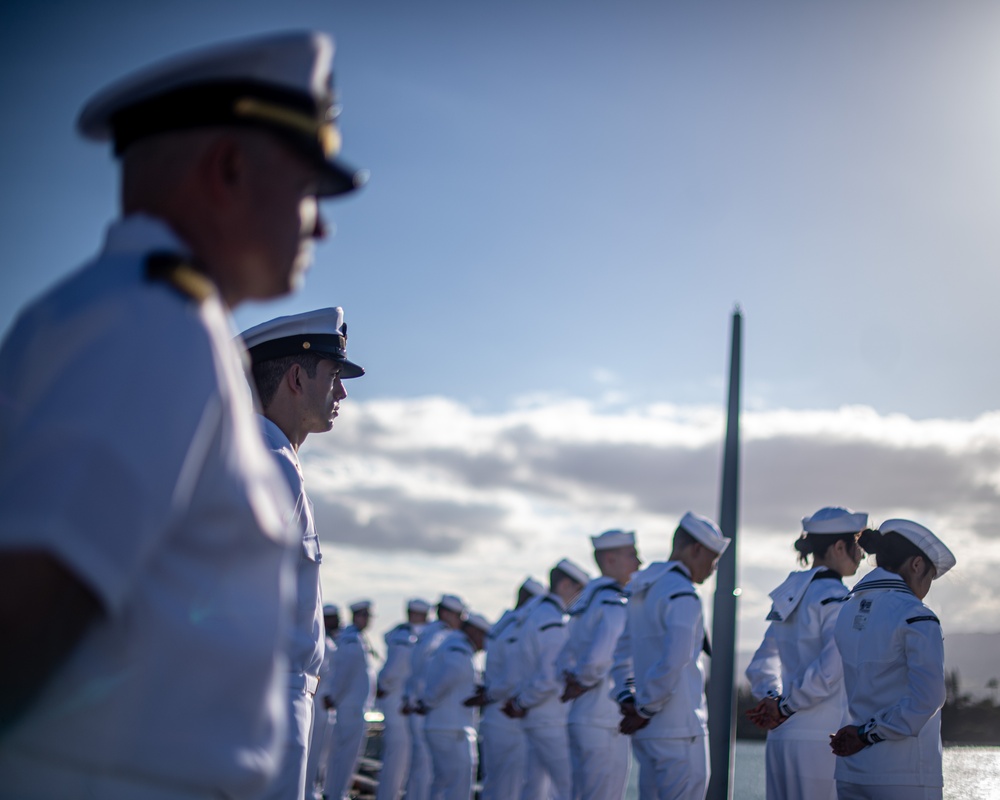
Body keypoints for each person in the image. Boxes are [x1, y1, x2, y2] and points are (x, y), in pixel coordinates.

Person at [0, 30, 364, 799]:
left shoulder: (101, 309)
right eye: (306, 186)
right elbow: (27, 612)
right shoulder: (155, 326)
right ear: (229, 169)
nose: (320, 224)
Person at [240, 307, 365, 800]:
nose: (342, 392)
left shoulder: (264, 457)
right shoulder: (269, 465)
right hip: (262, 702)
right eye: (333, 375)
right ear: (296, 377)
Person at [744, 506, 868, 800]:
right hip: (821, 739)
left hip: (781, 736)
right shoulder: (839, 599)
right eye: (858, 547)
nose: (861, 556)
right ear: (840, 547)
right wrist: (784, 706)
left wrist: (772, 698)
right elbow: (830, 670)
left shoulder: (791, 596)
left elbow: (761, 663)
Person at [830, 519, 956, 800]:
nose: (926, 588)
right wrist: (867, 734)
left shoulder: (846, 610)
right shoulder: (916, 615)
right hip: (905, 772)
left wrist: (860, 735)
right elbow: (928, 697)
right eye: (930, 578)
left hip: (851, 770)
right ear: (917, 565)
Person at [612, 511, 730, 800]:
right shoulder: (683, 594)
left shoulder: (642, 590)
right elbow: (675, 661)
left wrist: (628, 697)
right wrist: (645, 708)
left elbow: (621, 654)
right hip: (679, 730)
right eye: (713, 560)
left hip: (649, 732)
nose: (713, 569)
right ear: (696, 549)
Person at [557, 530, 641, 800]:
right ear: (610, 559)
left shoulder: (585, 600)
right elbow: (601, 656)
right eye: (631, 555)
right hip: (604, 718)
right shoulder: (613, 601)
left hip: (581, 716)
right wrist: (583, 680)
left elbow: (562, 655)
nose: (638, 562)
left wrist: (573, 680)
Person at [503, 558, 590, 800]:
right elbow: (551, 676)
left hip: (537, 718)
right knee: (570, 788)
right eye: (578, 590)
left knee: (535, 790)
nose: (581, 598)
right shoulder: (551, 618)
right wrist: (522, 702)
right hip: (550, 719)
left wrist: (521, 701)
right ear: (564, 586)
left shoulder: (534, 613)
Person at [470, 577, 546, 800]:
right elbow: (513, 678)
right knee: (508, 787)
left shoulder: (502, 624)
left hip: (497, 715)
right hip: (509, 715)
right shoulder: (517, 627)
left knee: (495, 784)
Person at [403, 594, 467, 800]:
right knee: (427, 771)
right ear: (447, 614)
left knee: (422, 769)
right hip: (426, 708)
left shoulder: (428, 633)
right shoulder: (440, 636)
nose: (461, 621)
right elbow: (431, 674)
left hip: (421, 706)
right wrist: (425, 700)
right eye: (458, 615)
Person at [423, 613, 492, 800]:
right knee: (458, 786)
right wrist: (429, 701)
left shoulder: (452, 645)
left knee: (442, 783)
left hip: (445, 726)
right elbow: (449, 677)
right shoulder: (459, 650)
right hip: (451, 729)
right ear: (473, 632)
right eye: (484, 636)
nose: (485, 644)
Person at [376, 598, 431, 800]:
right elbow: (393, 670)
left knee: (405, 758)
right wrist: (384, 686)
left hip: (404, 702)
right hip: (399, 702)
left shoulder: (408, 634)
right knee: (398, 758)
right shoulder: (404, 637)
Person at [325, 599, 378, 800]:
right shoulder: (351, 641)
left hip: (352, 706)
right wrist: (334, 698)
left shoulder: (355, 638)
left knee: (344, 755)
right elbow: (343, 675)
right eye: (366, 616)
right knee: (345, 755)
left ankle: (335, 792)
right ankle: (336, 793)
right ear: (358, 616)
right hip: (350, 707)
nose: (368, 620)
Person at [307, 604, 342, 798]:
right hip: (318, 703)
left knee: (323, 752)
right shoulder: (321, 642)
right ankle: (308, 790)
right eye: (333, 618)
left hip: (326, 706)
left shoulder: (331, 642)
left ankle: (315, 788)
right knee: (314, 750)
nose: (337, 621)